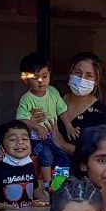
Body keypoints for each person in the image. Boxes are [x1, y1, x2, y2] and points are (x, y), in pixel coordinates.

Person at [17, 52, 73, 200]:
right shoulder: (26, 99)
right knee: (46, 153)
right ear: (25, 79)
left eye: (45, 76)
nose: (41, 81)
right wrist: (37, 126)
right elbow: (21, 120)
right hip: (36, 140)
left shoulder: (53, 92)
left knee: (64, 156)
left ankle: (59, 183)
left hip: (52, 136)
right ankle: (48, 185)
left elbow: (62, 111)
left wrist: (69, 127)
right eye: (35, 78)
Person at [56, 52, 106, 157]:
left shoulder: (100, 112)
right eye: (77, 72)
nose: (82, 79)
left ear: (96, 81)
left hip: (80, 172)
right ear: (70, 73)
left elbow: (101, 154)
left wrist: (63, 145)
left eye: (89, 75)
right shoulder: (54, 101)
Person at [0, 120, 38, 209]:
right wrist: (8, 208)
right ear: (1, 149)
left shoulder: (30, 166)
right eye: (13, 139)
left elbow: (35, 193)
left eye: (25, 139)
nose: (20, 142)